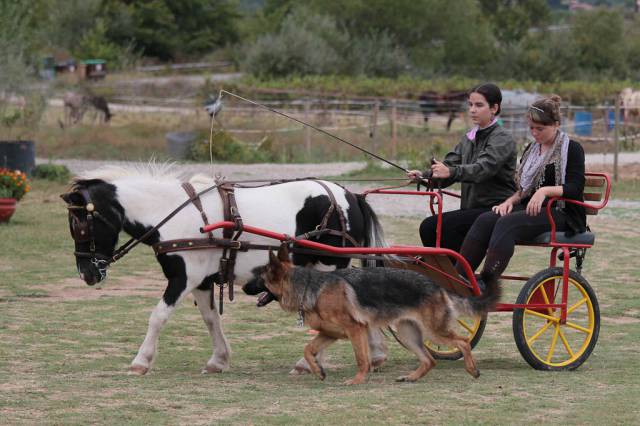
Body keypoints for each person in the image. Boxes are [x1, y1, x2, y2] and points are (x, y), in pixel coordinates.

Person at [457, 94, 586, 288]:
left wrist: (544, 192)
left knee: (508, 224)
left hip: (562, 213)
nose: (535, 133)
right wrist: (509, 201)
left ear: (556, 124)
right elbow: (525, 189)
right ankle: (460, 277)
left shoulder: (572, 149)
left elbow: (575, 188)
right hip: (533, 209)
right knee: (486, 219)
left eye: (540, 129)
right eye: (532, 128)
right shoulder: (532, 149)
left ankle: (486, 281)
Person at [407, 83, 517, 252]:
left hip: (496, 208)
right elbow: (448, 167)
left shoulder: (502, 139)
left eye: (479, 105)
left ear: (494, 108)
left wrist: (450, 171)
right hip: (472, 210)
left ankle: (454, 273)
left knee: (432, 226)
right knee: (430, 227)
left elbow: (482, 170)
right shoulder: (468, 138)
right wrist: (424, 176)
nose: (472, 110)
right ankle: (449, 273)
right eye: (470, 105)